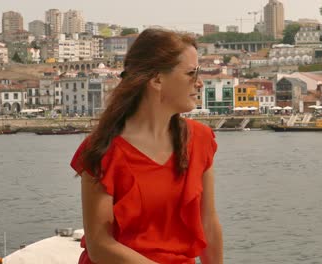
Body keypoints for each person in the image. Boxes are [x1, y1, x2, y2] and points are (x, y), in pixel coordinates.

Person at [70, 28, 223, 264]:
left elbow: (209, 226)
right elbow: (99, 245)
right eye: (192, 73)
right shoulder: (103, 149)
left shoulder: (201, 140)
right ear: (157, 79)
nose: (200, 83)